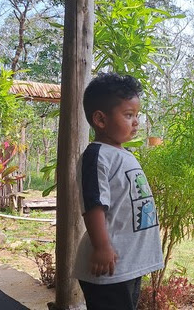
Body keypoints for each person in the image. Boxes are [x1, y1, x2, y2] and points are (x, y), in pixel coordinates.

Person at [73, 72, 163, 310]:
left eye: (137, 115)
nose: (136, 122)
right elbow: (93, 204)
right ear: (101, 120)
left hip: (128, 263)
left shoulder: (124, 154)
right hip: (108, 267)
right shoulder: (96, 155)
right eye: (128, 115)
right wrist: (102, 247)